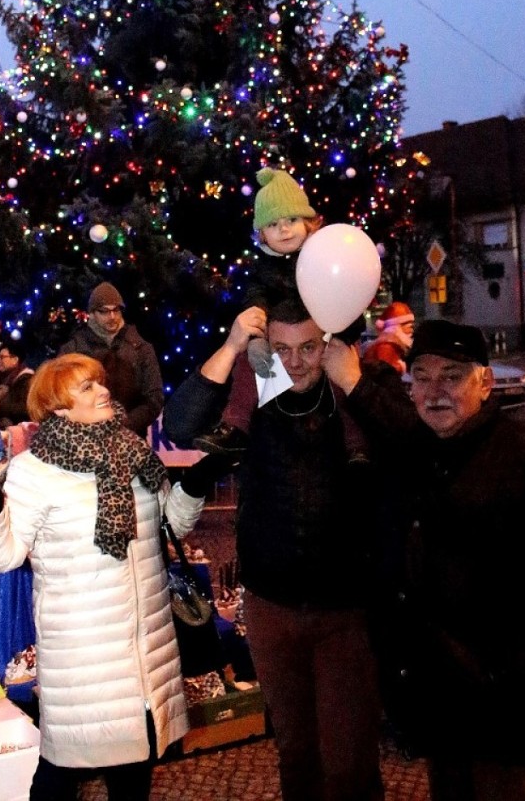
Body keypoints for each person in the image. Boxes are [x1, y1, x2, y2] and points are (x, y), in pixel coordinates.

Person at [325, 318, 525, 801]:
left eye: (452, 375)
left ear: (485, 381)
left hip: (518, 718)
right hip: (445, 711)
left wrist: (506, 675)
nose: (435, 391)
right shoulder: (416, 455)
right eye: (422, 376)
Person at [0, 351, 211, 801]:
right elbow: (1, 554)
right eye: (88, 387)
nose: (104, 391)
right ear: (58, 408)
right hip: (84, 658)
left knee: (134, 774)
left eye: (100, 382)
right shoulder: (33, 472)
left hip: (143, 652)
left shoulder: (134, 453)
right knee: (61, 773)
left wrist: (196, 482)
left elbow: (168, 524)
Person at [164, 295, 386, 801]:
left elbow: (407, 437)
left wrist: (356, 382)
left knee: (349, 758)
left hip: (345, 606)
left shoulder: (352, 391)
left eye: (309, 347)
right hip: (270, 605)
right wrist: (232, 344)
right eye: (282, 349)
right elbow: (179, 427)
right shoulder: (257, 397)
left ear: (330, 344)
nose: (295, 362)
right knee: (297, 753)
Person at [190, 168, 366, 464]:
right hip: (282, 348)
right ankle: (236, 426)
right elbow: (254, 301)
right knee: (248, 367)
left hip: (328, 340)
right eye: (273, 224)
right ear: (262, 233)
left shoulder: (327, 257)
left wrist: (346, 332)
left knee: (344, 384)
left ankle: (357, 445)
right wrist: (257, 337)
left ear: (310, 223)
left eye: (292, 220)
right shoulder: (261, 269)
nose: (284, 229)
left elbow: (348, 294)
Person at [58, 282, 164, 436]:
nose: (112, 316)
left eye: (116, 310)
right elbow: (60, 396)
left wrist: (124, 424)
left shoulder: (141, 348)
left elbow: (154, 399)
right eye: (104, 312)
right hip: (85, 437)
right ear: (92, 314)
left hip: (131, 438)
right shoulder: (73, 350)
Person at [0, 336, 35, 427]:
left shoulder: (26, 379)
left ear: (15, 359)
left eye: (2, 357)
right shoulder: (8, 379)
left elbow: (24, 408)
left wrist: (0, 406)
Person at [362, 301, 415, 374]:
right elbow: (386, 372)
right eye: (409, 327)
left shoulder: (395, 344)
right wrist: (402, 366)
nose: (412, 330)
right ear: (397, 328)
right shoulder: (386, 346)